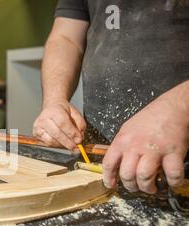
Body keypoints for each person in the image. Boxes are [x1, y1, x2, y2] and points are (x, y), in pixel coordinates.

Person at [33, 0, 189, 194]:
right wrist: (54, 100)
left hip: (179, 160)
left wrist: (180, 107)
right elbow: (65, 38)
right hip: (99, 159)